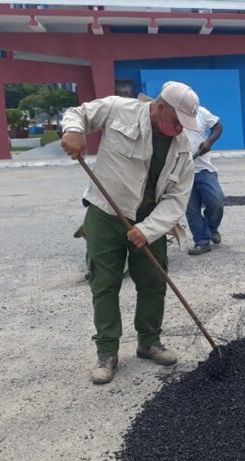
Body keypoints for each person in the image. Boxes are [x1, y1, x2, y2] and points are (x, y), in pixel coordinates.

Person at [61, 81, 199, 385]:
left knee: (153, 281)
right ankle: (107, 352)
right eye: (175, 122)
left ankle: (149, 342)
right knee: (105, 283)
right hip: (106, 214)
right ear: (160, 107)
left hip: (150, 220)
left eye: (183, 125)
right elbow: (77, 114)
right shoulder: (117, 109)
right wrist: (73, 131)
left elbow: (178, 198)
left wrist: (147, 230)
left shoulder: (181, 147)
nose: (179, 129)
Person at [184, 105, 225, 255]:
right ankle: (202, 241)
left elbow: (218, 127)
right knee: (191, 209)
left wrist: (209, 142)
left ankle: (212, 227)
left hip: (204, 168)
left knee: (216, 200)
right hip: (181, 172)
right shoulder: (169, 114)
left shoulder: (200, 111)